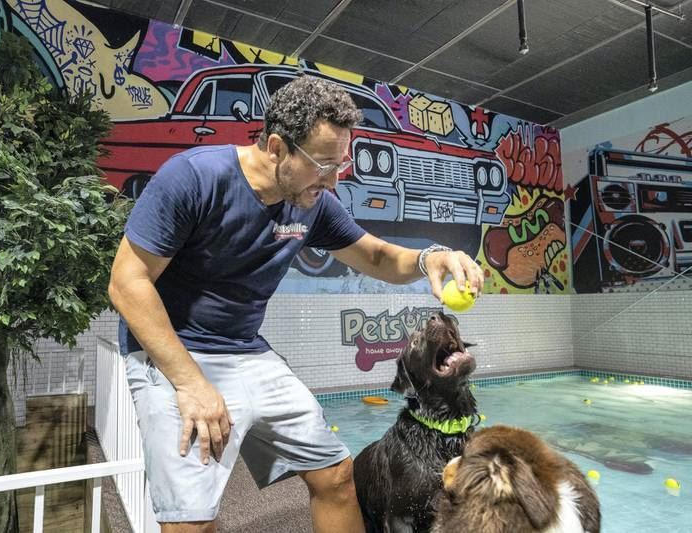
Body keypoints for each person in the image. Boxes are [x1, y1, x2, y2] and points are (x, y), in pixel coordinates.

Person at [108, 75, 485, 533]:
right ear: (276, 147)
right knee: (192, 520)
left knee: (338, 475)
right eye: (323, 164)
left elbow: (376, 256)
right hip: (175, 353)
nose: (333, 180)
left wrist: (431, 256)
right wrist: (191, 384)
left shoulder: (312, 203)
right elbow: (128, 282)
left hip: (246, 350)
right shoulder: (195, 177)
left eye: (341, 164)